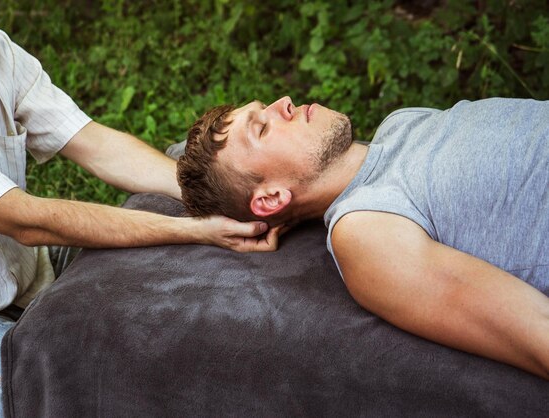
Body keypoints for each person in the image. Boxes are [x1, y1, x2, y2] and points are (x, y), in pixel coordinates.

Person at [0, 1, 282, 416]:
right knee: (70, 384)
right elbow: (27, 220)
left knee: (165, 294)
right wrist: (197, 228)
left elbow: (93, 143)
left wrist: (219, 200)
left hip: (15, 273)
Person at [177, 95, 549, 380]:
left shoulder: (401, 123)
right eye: (262, 128)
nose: (285, 104)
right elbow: (536, 332)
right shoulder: (363, 227)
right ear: (272, 198)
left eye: (268, 105)